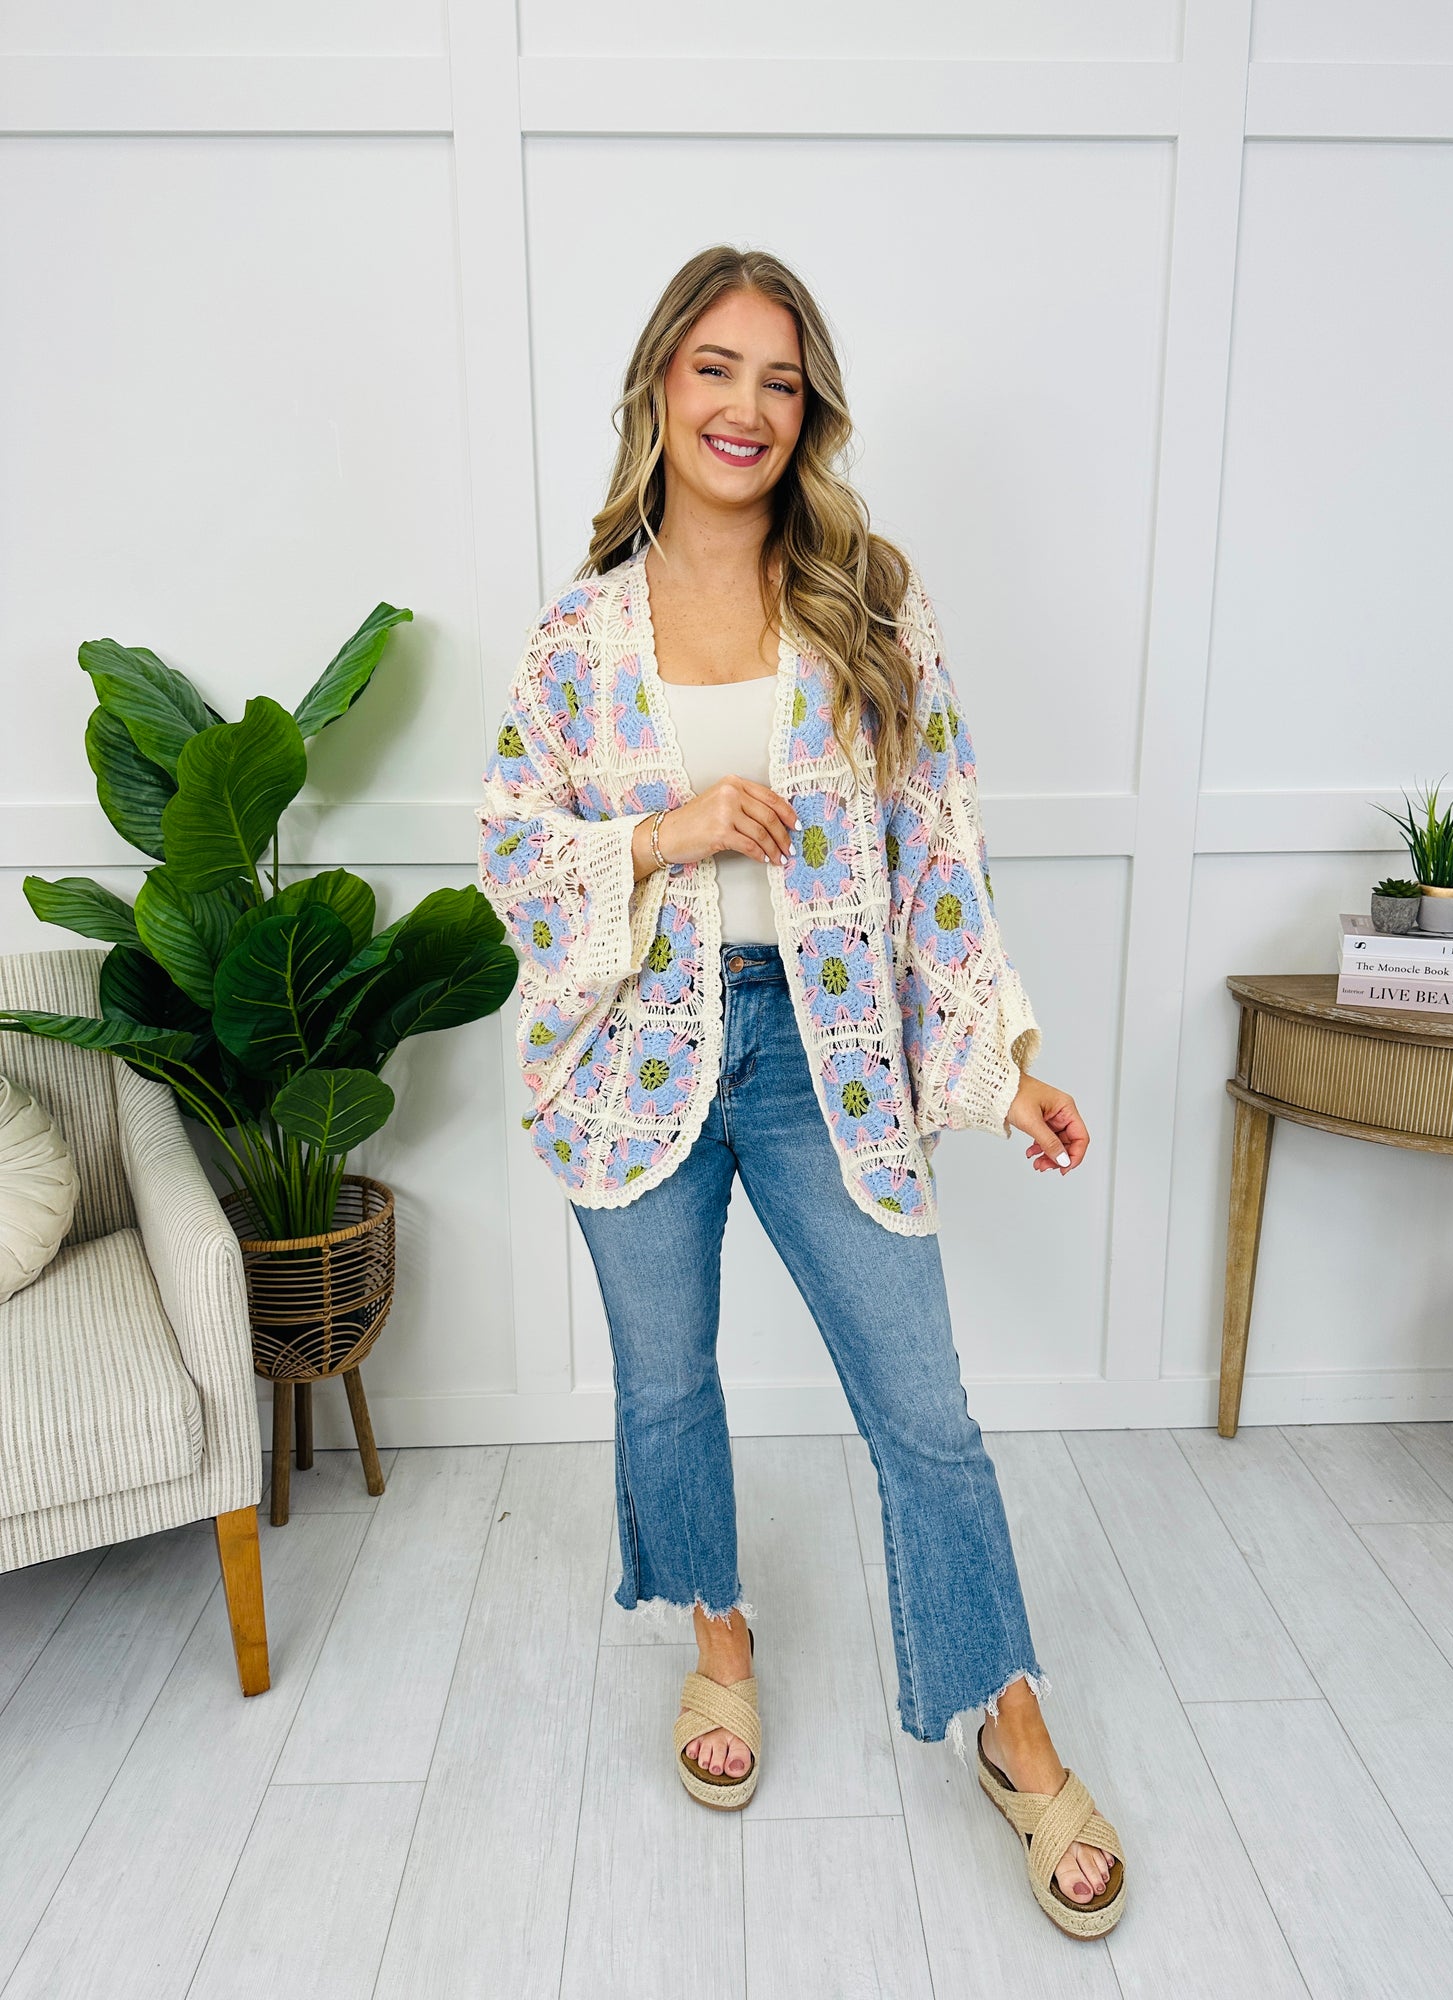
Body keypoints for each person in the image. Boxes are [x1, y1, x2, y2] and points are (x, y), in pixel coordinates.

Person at [477, 245, 1125, 1938]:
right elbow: (510, 853)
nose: (745, 407)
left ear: (808, 410)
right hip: (636, 1057)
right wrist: (665, 835)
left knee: (926, 1407)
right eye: (716, 368)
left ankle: (1013, 1726)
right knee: (665, 1385)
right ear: (659, 387)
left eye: (780, 379)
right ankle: (719, 1636)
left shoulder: (870, 602)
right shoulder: (577, 636)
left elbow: (940, 845)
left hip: (824, 1058)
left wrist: (1006, 1066)